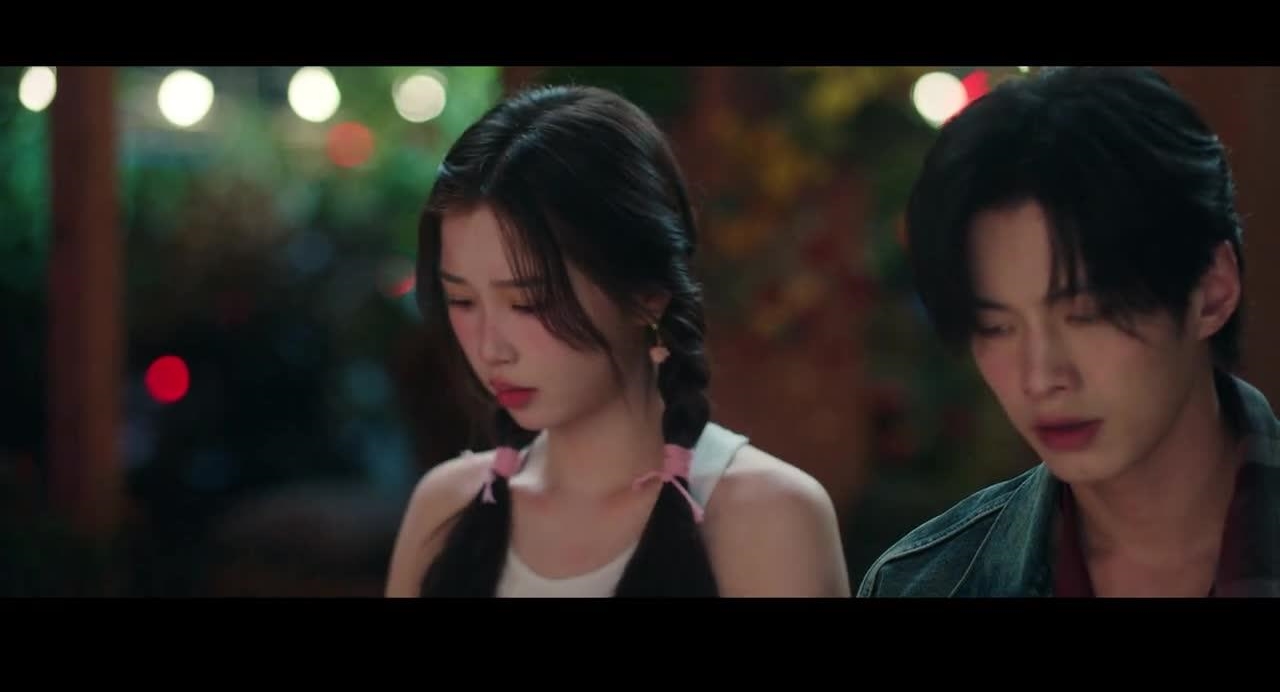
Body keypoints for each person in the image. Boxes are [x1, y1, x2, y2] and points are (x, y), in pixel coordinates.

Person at [385, 84, 850, 597]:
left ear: (647, 294)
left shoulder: (767, 517)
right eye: (462, 300)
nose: (491, 348)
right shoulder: (446, 508)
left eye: (528, 302)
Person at [858, 66, 1279, 597]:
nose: (1040, 377)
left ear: (1211, 291)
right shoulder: (923, 584)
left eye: (1086, 314)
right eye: (996, 326)